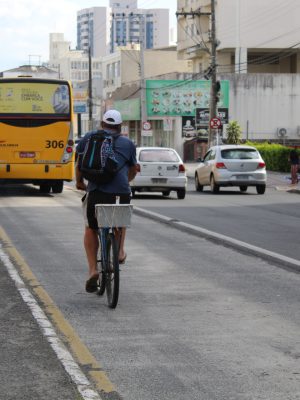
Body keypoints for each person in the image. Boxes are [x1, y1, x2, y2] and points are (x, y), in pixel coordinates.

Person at [75, 110, 137, 293]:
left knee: (90, 228)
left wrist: (79, 182)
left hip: (96, 192)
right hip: (120, 193)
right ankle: (119, 252)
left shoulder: (89, 137)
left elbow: (79, 164)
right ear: (120, 127)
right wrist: (126, 182)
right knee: (120, 219)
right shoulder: (128, 144)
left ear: (102, 124)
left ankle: (93, 270)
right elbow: (133, 170)